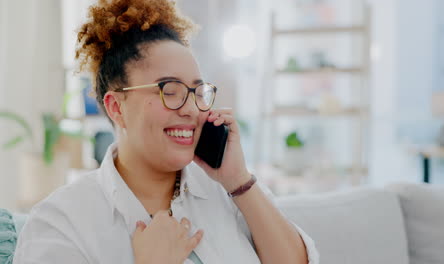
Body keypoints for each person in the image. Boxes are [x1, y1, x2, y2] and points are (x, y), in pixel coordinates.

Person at [13, 0, 319, 263]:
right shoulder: (60, 222)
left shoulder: (227, 191)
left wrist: (238, 181)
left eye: (198, 91)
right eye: (169, 90)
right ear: (116, 107)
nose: (190, 108)